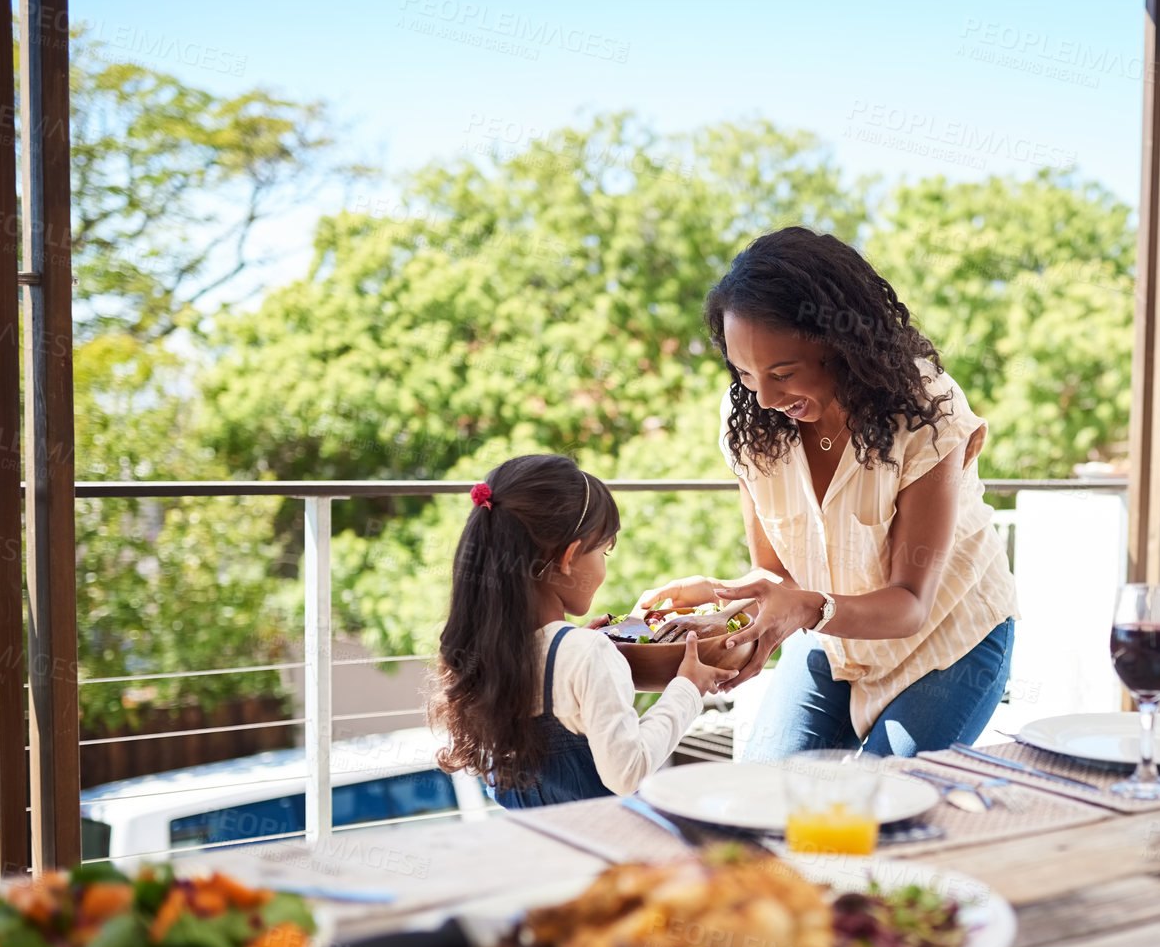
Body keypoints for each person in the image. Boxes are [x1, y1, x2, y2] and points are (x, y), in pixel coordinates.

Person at [636, 227, 1018, 760]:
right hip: (830, 639)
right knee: (768, 793)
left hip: (947, 639)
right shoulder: (749, 422)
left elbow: (910, 604)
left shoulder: (928, 412)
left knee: (884, 803)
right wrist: (725, 595)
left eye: (783, 373)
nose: (765, 397)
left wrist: (803, 611)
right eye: (745, 372)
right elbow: (781, 577)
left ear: (841, 347)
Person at [432, 454, 735, 807]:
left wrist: (577, 644)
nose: (603, 567)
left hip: (537, 846)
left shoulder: (485, 651)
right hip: (605, 843)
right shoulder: (586, 653)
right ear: (568, 557)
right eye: (604, 552)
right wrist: (689, 688)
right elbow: (626, 773)